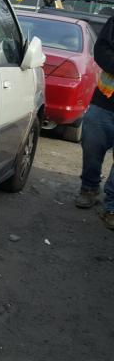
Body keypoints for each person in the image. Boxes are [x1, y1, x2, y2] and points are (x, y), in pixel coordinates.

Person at [77, 16, 114, 230]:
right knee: (91, 145)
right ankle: (89, 187)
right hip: (105, 101)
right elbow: (101, 50)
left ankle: (112, 207)